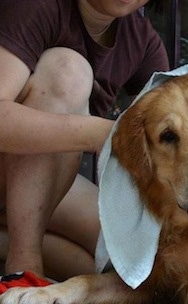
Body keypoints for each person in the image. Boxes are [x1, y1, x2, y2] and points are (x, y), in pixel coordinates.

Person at [0, 0, 170, 281]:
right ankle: (24, 262)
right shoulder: (38, 6)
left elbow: (172, 125)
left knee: (132, 255)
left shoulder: (142, 42)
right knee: (68, 71)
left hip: (35, 185)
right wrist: (100, 133)